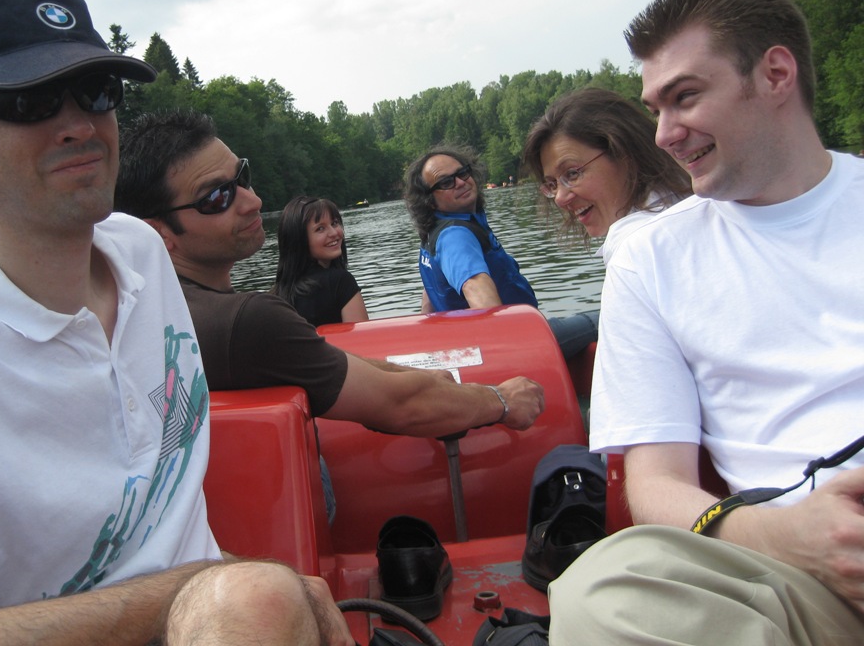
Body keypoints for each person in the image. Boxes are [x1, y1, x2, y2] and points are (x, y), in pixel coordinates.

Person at [0, 0, 354, 646]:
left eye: (96, 92)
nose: (80, 125)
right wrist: (202, 591)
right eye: (29, 101)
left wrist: (238, 590)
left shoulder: (141, 253)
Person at [549, 0, 864, 644]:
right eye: (656, 109)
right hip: (797, 578)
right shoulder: (650, 259)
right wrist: (785, 535)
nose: (664, 134)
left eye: (685, 97)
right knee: (599, 590)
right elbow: (654, 486)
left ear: (775, 75)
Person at [114, 110, 545, 442]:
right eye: (216, 197)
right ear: (159, 234)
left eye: (242, 178)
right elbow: (403, 407)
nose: (252, 201)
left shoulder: (145, 315)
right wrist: (500, 400)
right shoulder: (245, 321)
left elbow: (323, 359)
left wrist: (411, 372)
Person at [403, 145, 598, 358]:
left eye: (463, 173)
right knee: (607, 319)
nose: (460, 182)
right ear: (429, 200)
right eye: (446, 182)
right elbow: (478, 293)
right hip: (521, 341)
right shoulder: (456, 236)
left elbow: (430, 295)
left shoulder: (436, 233)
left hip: (496, 339)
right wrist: (507, 358)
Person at [522, 87, 691, 264]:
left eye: (572, 174)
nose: (560, 199)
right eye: (552, 184)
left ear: (623, 152)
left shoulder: (635, 248)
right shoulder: (695, 200)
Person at [271, 196, 368, 326]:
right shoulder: (341, 283)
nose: (333, 233)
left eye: (334, 223)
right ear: (299, 240)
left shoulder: (275, 297)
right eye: (320, 229)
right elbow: (361, 337)